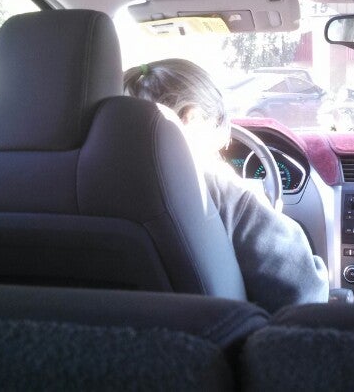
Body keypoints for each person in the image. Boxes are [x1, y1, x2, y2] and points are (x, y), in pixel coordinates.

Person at [123, 59, 329, 312]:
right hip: (216, 331)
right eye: (218, 123)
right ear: (192, 118)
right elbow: (305, 293)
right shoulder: (227, 193)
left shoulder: (86, 182)